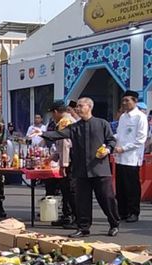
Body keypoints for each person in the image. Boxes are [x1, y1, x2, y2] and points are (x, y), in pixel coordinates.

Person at [35, 97, 120, 238]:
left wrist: (108, 149)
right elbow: (60, 134)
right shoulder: (75, 126)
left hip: (100, 169)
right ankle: (83, 227)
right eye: (77, 106)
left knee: (106, 198)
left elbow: (111, 140)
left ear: (89, 107)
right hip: (81, 170)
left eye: (81, 106)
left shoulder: (102, 123)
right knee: (82, 201)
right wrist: (42, 133)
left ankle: (114, 224)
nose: (78, 108)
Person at [115, 91, 148, 223]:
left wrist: (124, 148)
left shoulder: (140, 117)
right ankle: (122, 212)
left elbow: (141, 139)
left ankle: (133, 212)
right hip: (120, 157)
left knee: (132, 187)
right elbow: (119, 135)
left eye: (127, 100)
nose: (124, 103)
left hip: (132, 157)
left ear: (135, 101)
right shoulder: (123, 117)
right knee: (121, 186)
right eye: (123, 100)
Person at [47, 100, 77, 229]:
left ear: (55, 112)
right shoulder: (66, 120)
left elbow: (65, 145)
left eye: (52, 114)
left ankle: (75, 218)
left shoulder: (65, 122)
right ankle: (67, 215)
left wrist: (63, 165)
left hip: (70, 161)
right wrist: (54, 156)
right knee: (65, 190)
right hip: (68, 159)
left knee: (70, 190)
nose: (52, 117)